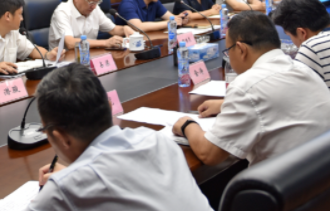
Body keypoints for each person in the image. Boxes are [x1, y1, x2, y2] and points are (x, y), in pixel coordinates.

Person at [27, 64, 212, 211]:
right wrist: (72, 174)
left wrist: (67, 179)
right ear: (109, 106)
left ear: (60, 137)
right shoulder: (157, 140)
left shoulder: (64, 189)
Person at [171, 12, 330, 166]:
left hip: (289, 187)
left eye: (228, 50)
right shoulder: (302, 69)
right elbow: (278, 102)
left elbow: (209, 154)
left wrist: (187, 125)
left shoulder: (246, 86)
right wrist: (225, 105)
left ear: (241, 49)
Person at [48, 0, 134, 51]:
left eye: (97, 1)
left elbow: (113, 29)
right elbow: (70, 43)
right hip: (64, 61)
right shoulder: (62, 12)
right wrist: (105, 43)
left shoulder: (94, 8)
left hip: (88, 56)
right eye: (91, 2)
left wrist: (124, 29)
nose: (94, 6)